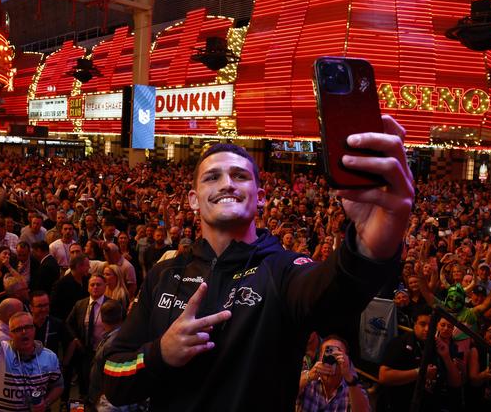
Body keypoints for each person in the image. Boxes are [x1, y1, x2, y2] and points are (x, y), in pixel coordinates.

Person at [103, 118, 414, 411]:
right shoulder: (165, 274)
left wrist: (369, 245)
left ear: (261, 196)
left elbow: (333, 295)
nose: (227, 184)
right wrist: (161, 353)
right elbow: (112, 376)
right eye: (212, 177)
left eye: (240, 176)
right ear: (193, 199)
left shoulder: (284, 270)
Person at [0, 276, 63, 412]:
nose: (24, 332)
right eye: (18, 329)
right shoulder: (0, 351)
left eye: (28, 327)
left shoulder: (49, 357)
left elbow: (58, 385)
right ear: (11, 333)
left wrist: (46, 402)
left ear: (34, 330)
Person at [378, 307, 462, 411]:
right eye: (422, 324)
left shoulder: (438, 346)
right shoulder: (400, 343)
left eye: (431, 325)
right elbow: (383, 376)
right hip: (401, 404)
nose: (427, 329)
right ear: (415, 324)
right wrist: (420, 372)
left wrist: (446, 356)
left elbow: (456, 383)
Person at [63, 274, 108, 403]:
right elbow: (68, 323)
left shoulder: (111, 304)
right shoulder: (80, 304)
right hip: (85, 351)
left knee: (100, 383)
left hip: (102, 352)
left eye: (98, 284)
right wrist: (75, 339)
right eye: (92, 285)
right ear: (88, 288)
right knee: (85, 382)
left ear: (105, 287)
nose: (95, 287)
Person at [298, 335, 370, 412]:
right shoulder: (307, 378)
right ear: (319, 358)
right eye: (328, 351)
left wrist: (349, 378)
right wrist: (309, 376)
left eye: (337, 353)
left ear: (346, 359)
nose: (332, 356)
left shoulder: (353, 388)